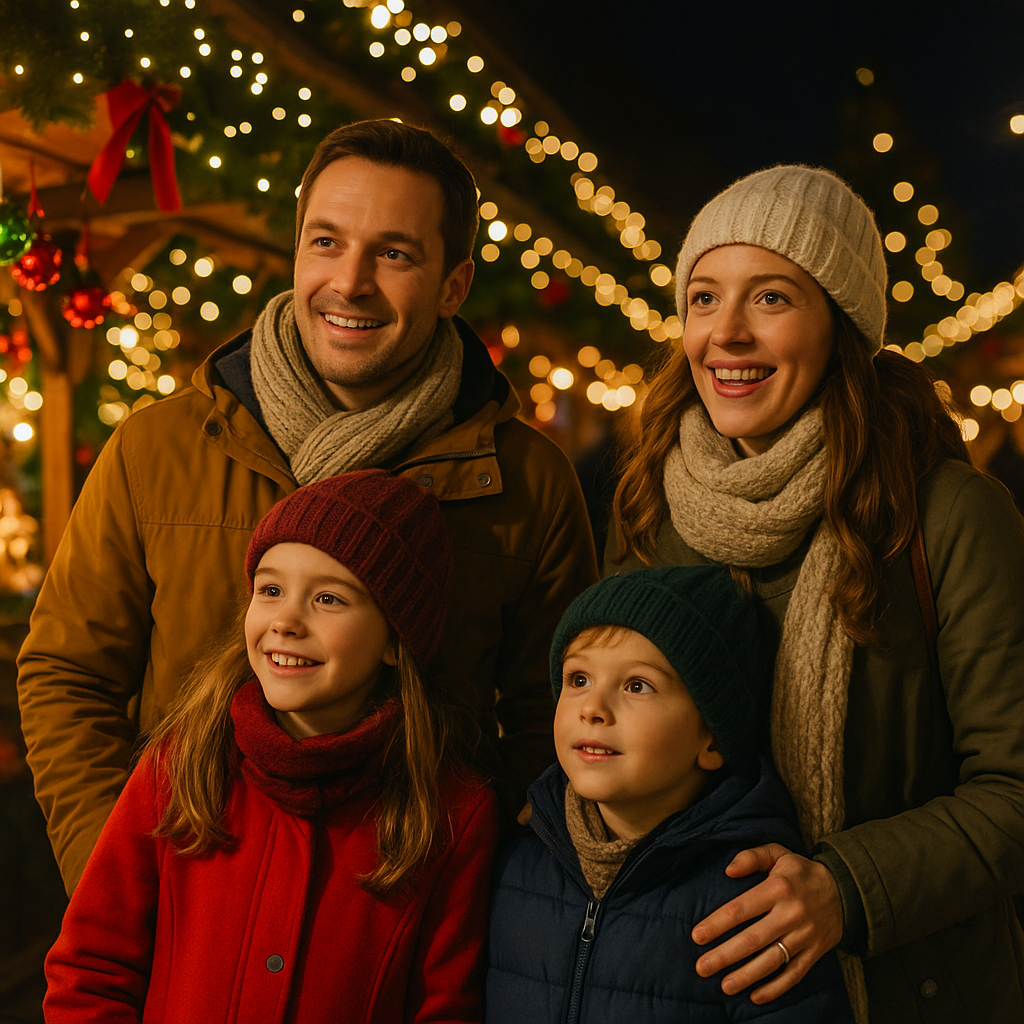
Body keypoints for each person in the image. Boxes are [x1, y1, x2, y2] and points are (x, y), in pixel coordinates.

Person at [17, 118, 597, 894]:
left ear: (453, 286)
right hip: (185, 911)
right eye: (327, 242)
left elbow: (549, 722)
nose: (350, 281)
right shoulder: (156, 450)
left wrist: (475, 903)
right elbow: (67, 675)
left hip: (405, 935)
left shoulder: (528, 482)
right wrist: (117, 881)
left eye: (393, 253)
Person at [608, 165, 1024, 1022]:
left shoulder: (947, 515)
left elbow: (1015, 790)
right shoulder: (652, 503)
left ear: (842, 325)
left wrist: (845, 888)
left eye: (769, 299)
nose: (724, 335)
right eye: (703, 299)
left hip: (900, 990)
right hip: (683, 979)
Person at [43, 469, 498, 1022]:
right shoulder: (184, 763)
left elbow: (445, 1007)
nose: (286, 621)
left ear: (396, 640)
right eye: (271, 590)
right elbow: (92, 968)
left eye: (329, 598)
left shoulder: (452, 813)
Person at [486, 566, 853, 1023]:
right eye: (578, 679)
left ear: (713, 741)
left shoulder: (754, 902)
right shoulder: (515, 862)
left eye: (637, 685)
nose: (593, 709)